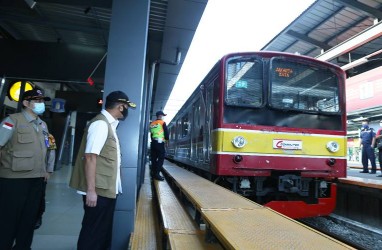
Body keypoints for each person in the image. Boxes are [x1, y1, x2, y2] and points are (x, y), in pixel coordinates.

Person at [69, 91, 136, 250]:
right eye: (126, 107)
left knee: (102, 232)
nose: (126, 110)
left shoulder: (109, 125)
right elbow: (91, 157)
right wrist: (91, 191)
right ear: (120, 106)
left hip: (105, 189)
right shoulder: (100, 124)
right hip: (98, 191)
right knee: (93, 233)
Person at [0, 89, 51, 250]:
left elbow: (47, 148)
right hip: (13, 180)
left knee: (29, 220)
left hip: (36, 180)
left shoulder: (43, 125)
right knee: (8, 220)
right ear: (26, 103)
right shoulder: (11, 121)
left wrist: (46, 171)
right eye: (36, 100)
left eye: (42, 100)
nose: (41, 103)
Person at [35, 133, 57, 229]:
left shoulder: (49, 135)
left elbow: (52, 151)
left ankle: (38, 217)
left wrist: (49, 170)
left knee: (40, 196)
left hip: (41, 172)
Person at [149, 111, 169, 181]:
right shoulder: (162, 123)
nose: (163, 117)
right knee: (161, 158)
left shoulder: (152, 123)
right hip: (160, 142)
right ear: (160, 116)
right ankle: (157, 174)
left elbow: (151, 134)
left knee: (154, 158)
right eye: (163, 115)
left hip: (153, 142)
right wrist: (166, 140)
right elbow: (166, 133)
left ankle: (153, 173)